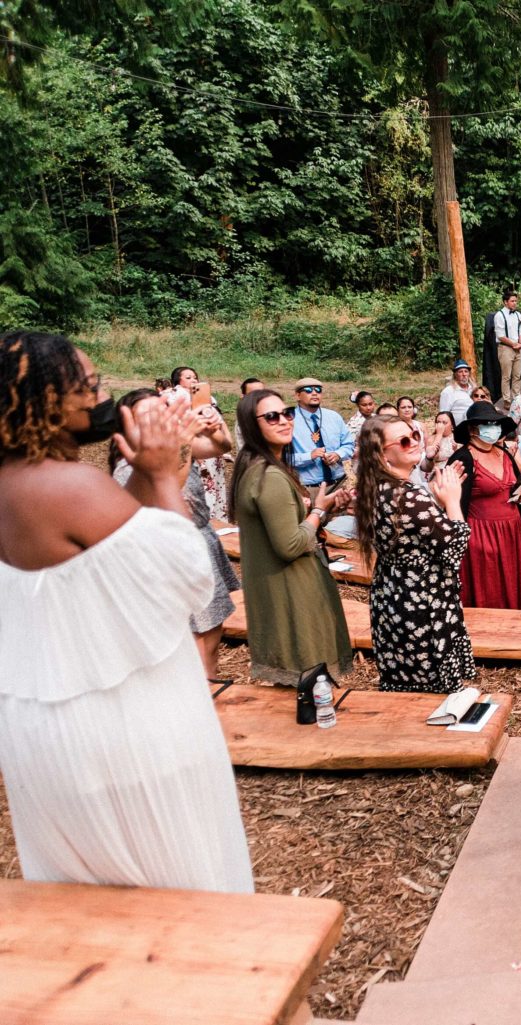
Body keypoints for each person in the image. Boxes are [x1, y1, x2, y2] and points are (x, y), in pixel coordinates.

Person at [0, 331, 253, 893]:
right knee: (179, 887)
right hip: (121, 728)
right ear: (40, 400)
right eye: (87, 385)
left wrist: (143, 469)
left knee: (95, 901)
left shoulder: (14, 486)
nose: (102, 393)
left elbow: (114, 552)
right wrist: (164, 474)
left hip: (47, 725)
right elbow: (187, 578)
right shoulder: (69, 485)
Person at [109, 389, 240, 682]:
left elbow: (223, 446)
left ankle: (213, 693)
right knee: (193, 643)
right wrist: (183, 439)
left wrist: (215, 423)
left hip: (202, 542)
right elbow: (168, 483)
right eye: (149, 415)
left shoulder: (175, 446)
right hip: (169, 557)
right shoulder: (127, 467)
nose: (161, 419)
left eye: (163, 410)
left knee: (211, 631)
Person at [232, 389, 354, 685]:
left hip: (285, 584)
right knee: (309, 683)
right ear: (251, 424)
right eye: (271, 417)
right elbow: (290, 545)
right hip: (291, 587)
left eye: (286, 413)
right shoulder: (270, 476)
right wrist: (319, 512)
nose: (284, 421)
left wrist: (320, 506)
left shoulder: (263, 467)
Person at [353, 415, 476, 693]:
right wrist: (452, 501)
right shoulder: (409, 497)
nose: (414, 443)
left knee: (404, 682)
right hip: (423, 602)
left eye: (415, 435)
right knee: (431, 690)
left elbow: (412, 535)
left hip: (391, 596)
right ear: (383, 456)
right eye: (404, 441)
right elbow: (455, 546)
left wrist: (435, 499)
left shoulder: (375, 489)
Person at [448, 401, 521, 610]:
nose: (492, 428)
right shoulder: (462, 459)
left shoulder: (504, 454)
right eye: (486, 423)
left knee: (511, 584)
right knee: (488, 584)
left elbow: (513, 484)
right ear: (472, 428)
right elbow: (451, 500)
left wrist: (519, 494)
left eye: (494, 423)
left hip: (510, 531)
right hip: (481, 534)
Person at [169, 366, 231, 522]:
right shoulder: (177, 398)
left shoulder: (206, 399)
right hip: (196, 450)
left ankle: (219, 521)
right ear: (178, 381)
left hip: (213, 449)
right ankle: (208, 521)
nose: (193, 380)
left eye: (195, 377)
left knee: (217, 486)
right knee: (203, 489)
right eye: (188, 377)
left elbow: (220, 423)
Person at [287, 376, 355, 492]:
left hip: (338, 484)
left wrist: (338, 454)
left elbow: (349, 444)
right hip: (307, 488)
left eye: (318, 390)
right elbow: (283, 458)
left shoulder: (334, 417)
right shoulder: (288, 420)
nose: (314, 393)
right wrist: (309, 456)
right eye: (308, 390)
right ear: (297, 395)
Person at [493, 288, 521, 410]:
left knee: (517, 375)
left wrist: (520, 343)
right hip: (506, 348)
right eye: (512, 301)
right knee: (506, 376)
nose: (515, 303)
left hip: (518, 347)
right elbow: (500, 335)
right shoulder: (499, 315)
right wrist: (513, 344)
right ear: (505, 302)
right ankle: (507, 400)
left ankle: (516, 398)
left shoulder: (518, 314)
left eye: (516, 301)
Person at [439, 359, 476, 425]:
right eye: (460, 372)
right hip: (458, 428)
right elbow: (443, 415)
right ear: (455, 374)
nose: (464, 374)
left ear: (469, 374)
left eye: (466, 371)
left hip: (475, 426)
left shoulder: (474, 389)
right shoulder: (448, 391)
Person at [421, 410, 458, 475]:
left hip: (454, 472)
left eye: (444, 422)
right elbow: (431, 457)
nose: (440, 425)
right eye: (438, 422)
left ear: (452, 425)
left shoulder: (458, 438)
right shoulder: (431, 439)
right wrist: (439, 434)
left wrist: (456, 450)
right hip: (436, 473)